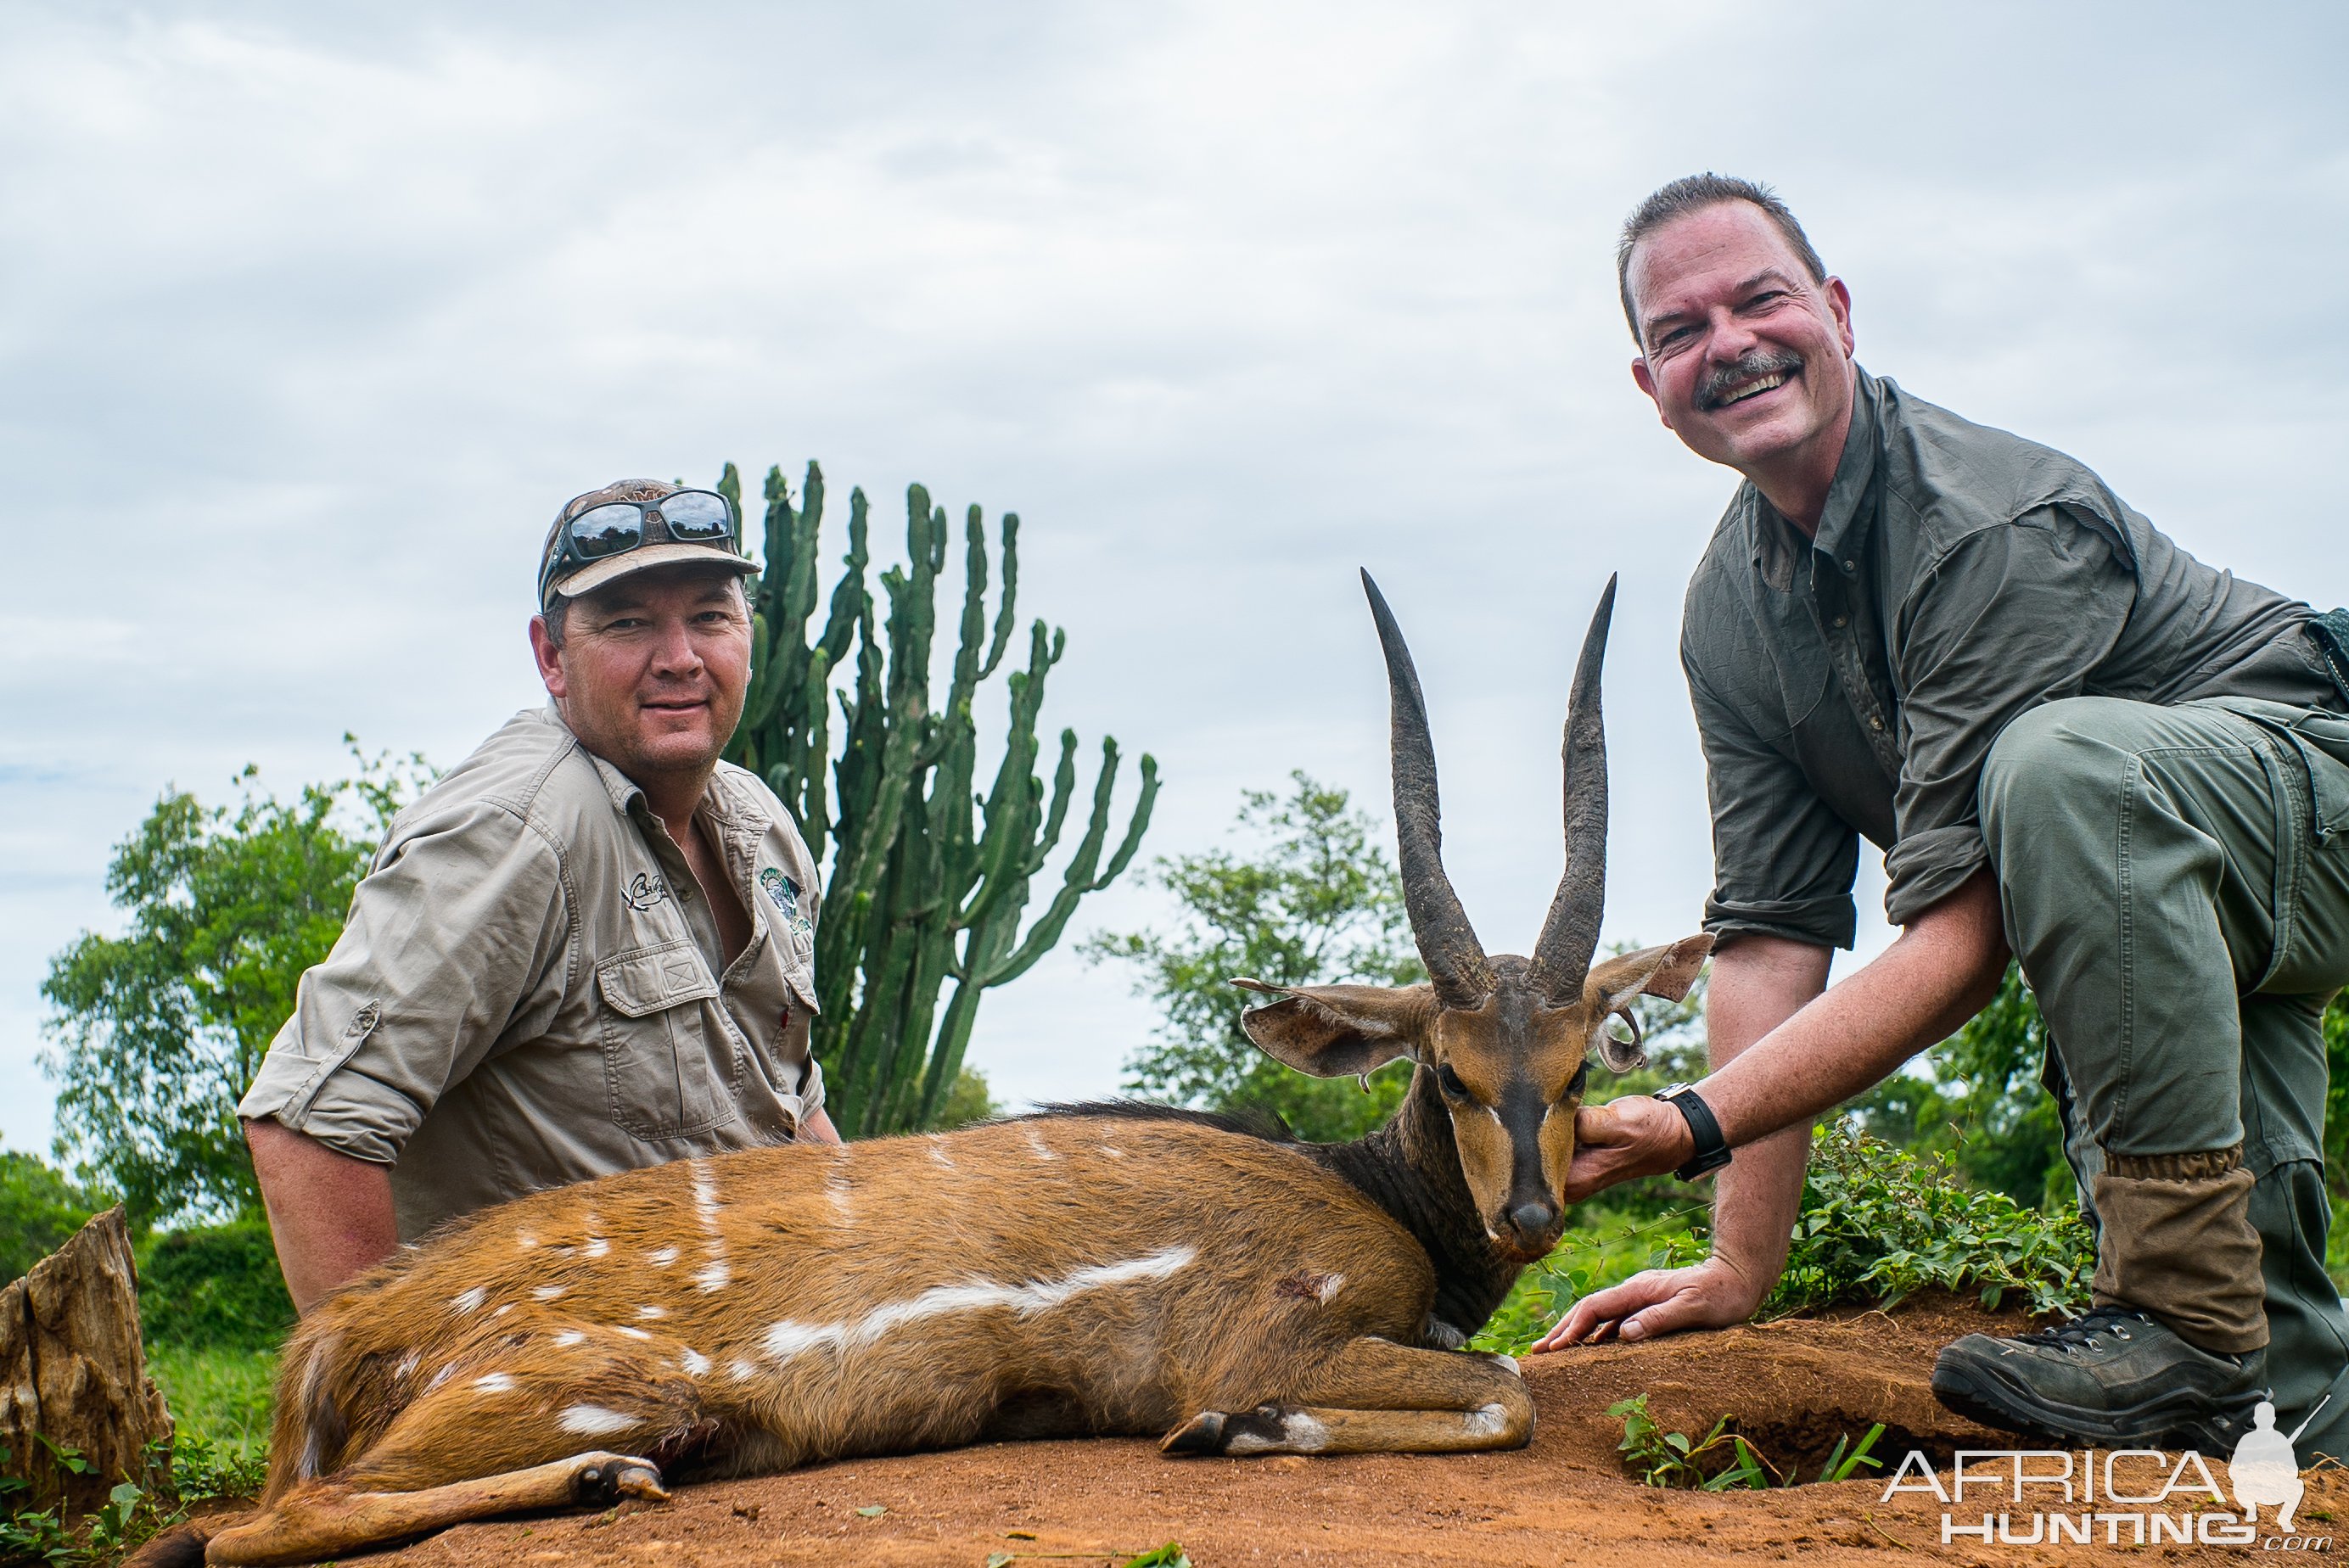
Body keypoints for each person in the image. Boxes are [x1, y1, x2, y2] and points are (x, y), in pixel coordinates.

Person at [1536, 173, 2349, 1459]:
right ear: (1649, 385)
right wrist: (1739, 1261)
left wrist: (1690, 1123)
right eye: (1680, 330)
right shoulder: (1730, 616)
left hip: (2315, 791)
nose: (1730, 344)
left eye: (1761, 299)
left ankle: (2179, 1324)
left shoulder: (1986, 526)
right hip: (2175, 895)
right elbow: (1769, 937)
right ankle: (2277, 1421)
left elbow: (1965, 936)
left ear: (1840, 314)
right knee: (2272, 1365)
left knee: (2064, 771)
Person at [239, 479, 838, 1313]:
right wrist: (386, 1404)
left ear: (747, 634)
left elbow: (792, 1107)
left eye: (708, 615)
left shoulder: (760, 827)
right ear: (551, 657)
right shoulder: (514, 831)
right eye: (626, 623)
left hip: (761, 1361)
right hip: (577, 1392)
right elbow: (306, 1129)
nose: (678, 657)